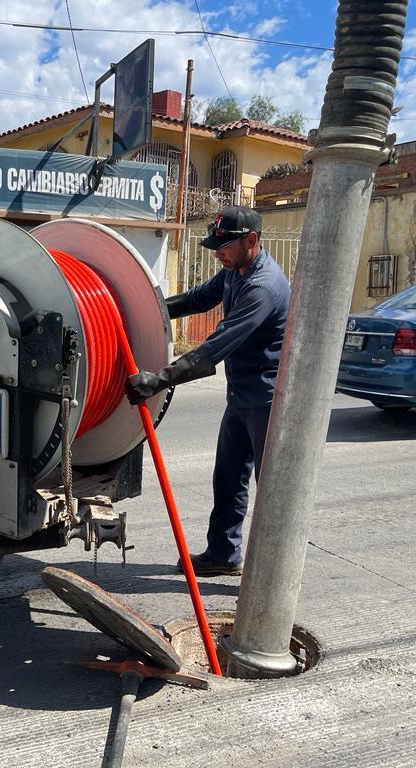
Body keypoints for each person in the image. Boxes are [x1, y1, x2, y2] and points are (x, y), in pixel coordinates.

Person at [126, 206, 290, 577]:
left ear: (251, 241)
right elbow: (198, 299)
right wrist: (147, 312)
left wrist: (159, 379)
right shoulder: (234, 270)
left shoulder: (263, 287)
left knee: (271, 492)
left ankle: (271, 576)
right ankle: (223, 555)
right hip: (241, 394)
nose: (217, 252)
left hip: (268, 400)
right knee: (228, 477)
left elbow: (215, 347)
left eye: (224, 245)